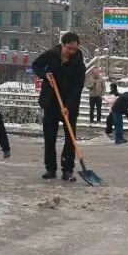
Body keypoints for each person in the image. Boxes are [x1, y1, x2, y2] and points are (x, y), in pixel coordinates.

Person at [32, 32, 85, 182]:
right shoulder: (51, 54)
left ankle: (67, 170)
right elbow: (36, 65)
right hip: (51, 101)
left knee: (70, 138)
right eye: (69, 48)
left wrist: (69, 106)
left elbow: (77, 87)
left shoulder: (78, 63)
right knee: (50, 136)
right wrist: (44, 75)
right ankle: (50, 169)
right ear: (63, 45)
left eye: (75, 48)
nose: (72, 51)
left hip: (69, 103)